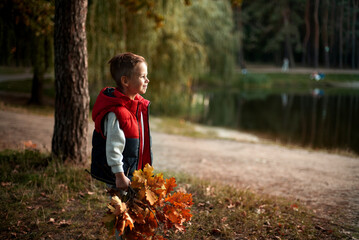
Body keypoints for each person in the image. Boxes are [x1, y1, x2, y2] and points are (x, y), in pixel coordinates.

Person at [90, 52, 152, 193]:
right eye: (142, 76)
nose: (147, 80)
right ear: (125, 81)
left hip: (131, 172)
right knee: (120, 206)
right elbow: (113, 147)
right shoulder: (116, 113)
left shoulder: (135, 107)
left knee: (131, 207)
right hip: (121, 176)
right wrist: (119, 175)